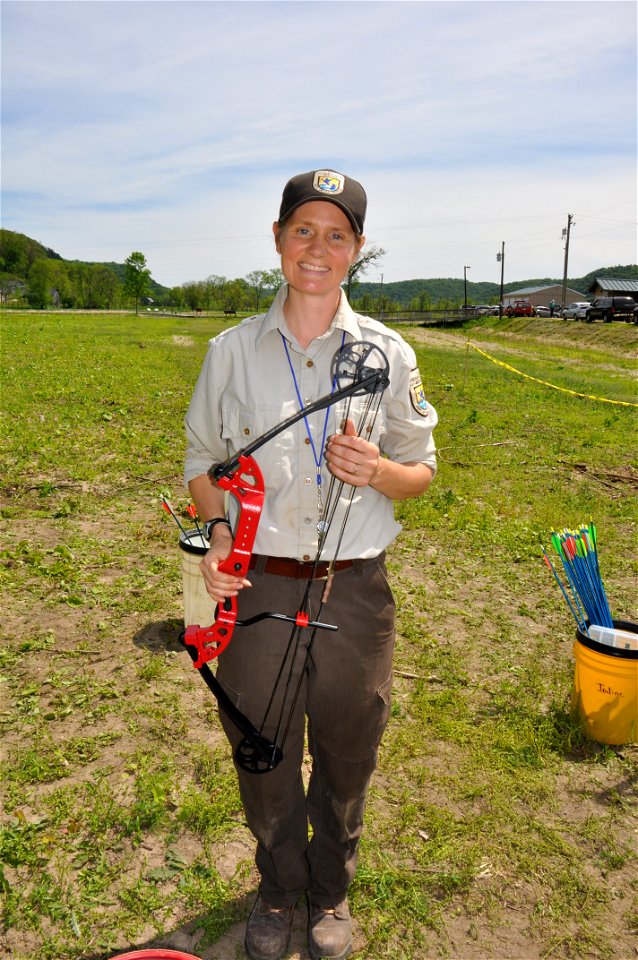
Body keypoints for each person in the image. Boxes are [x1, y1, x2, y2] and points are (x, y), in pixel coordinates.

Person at [184, 168, 438, 960]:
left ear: (357, 249)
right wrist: (221, 536)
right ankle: (278, 887)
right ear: (277, 239)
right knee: (259, 745)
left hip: (355, 588)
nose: (317, 247)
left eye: (337, 234)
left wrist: (380, 473)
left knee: (347, 743)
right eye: (303, 230)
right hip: (258, 584)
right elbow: (202, 463)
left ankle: (330, 891)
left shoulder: (388, 355)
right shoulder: (231, 352)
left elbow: (420, 470)